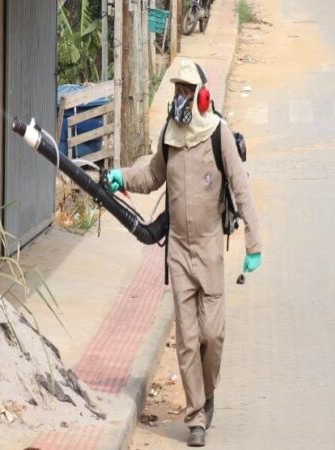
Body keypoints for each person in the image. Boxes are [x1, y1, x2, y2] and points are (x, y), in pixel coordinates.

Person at [106, 59, 262, 447]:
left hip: (209, 249)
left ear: (202, 95)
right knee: (188, 339)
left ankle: (208, 394)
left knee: (213, 336)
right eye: (177, 89)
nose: (180, 97)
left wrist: (254, 245)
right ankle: (195, 418)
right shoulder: (170, 134)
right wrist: (122, 176)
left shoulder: (217, 133)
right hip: (177, 249)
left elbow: (241, 188)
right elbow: (152, 175)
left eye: (186, 90)